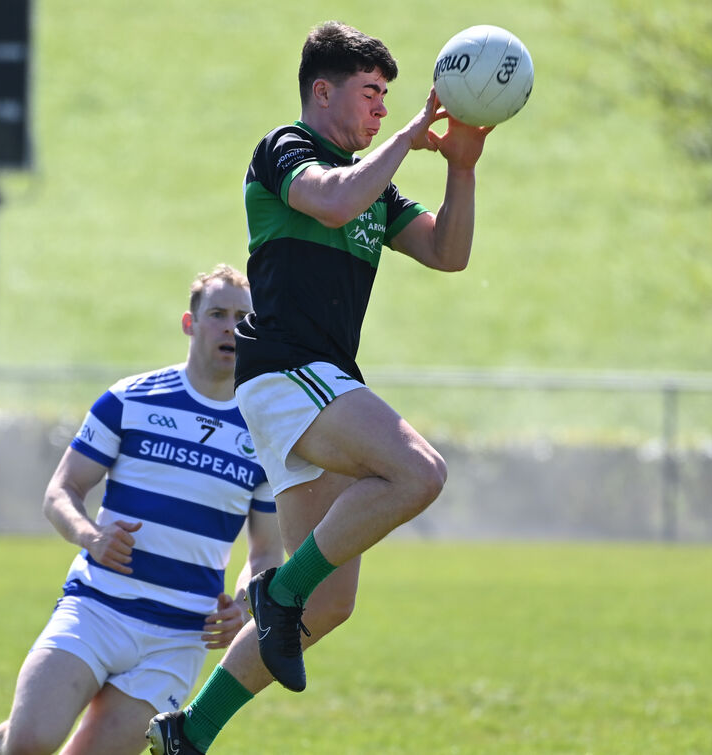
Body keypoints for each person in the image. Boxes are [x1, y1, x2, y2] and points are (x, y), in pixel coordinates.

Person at [146, 21, 493, 754]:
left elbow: (447, 252)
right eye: (371, 94)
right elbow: (332, 201)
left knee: (330, 601)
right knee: (417, 471)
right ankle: (276, 589)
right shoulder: (286, 150)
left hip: (317, 383)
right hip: (285, 372)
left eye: (386, 98)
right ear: (322, 89)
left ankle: (189, 729)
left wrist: (461, 165)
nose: (380, 109)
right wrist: (406, 136)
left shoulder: (375, 184)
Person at [0, 264, 284, 755]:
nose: (231, 327)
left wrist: (244, 607)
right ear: (190, 324)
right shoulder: (130, 400)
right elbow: (61, 491)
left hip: (179, 636)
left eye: (241, 317)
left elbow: (266, 551)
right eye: (217, 314)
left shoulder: (263, 435)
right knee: (29, 745)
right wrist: (91, 537)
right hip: (97, 608)